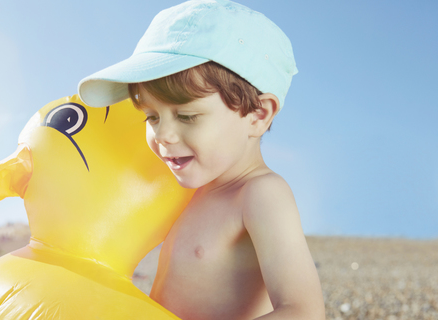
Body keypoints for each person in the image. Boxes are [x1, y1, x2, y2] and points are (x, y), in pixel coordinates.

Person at [78, 1, 325, 319]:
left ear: (257, 115)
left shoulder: (261, 194)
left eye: (187, 116)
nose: (163, 134)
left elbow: (304, 311)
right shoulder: (188, 192)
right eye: (151, 117)